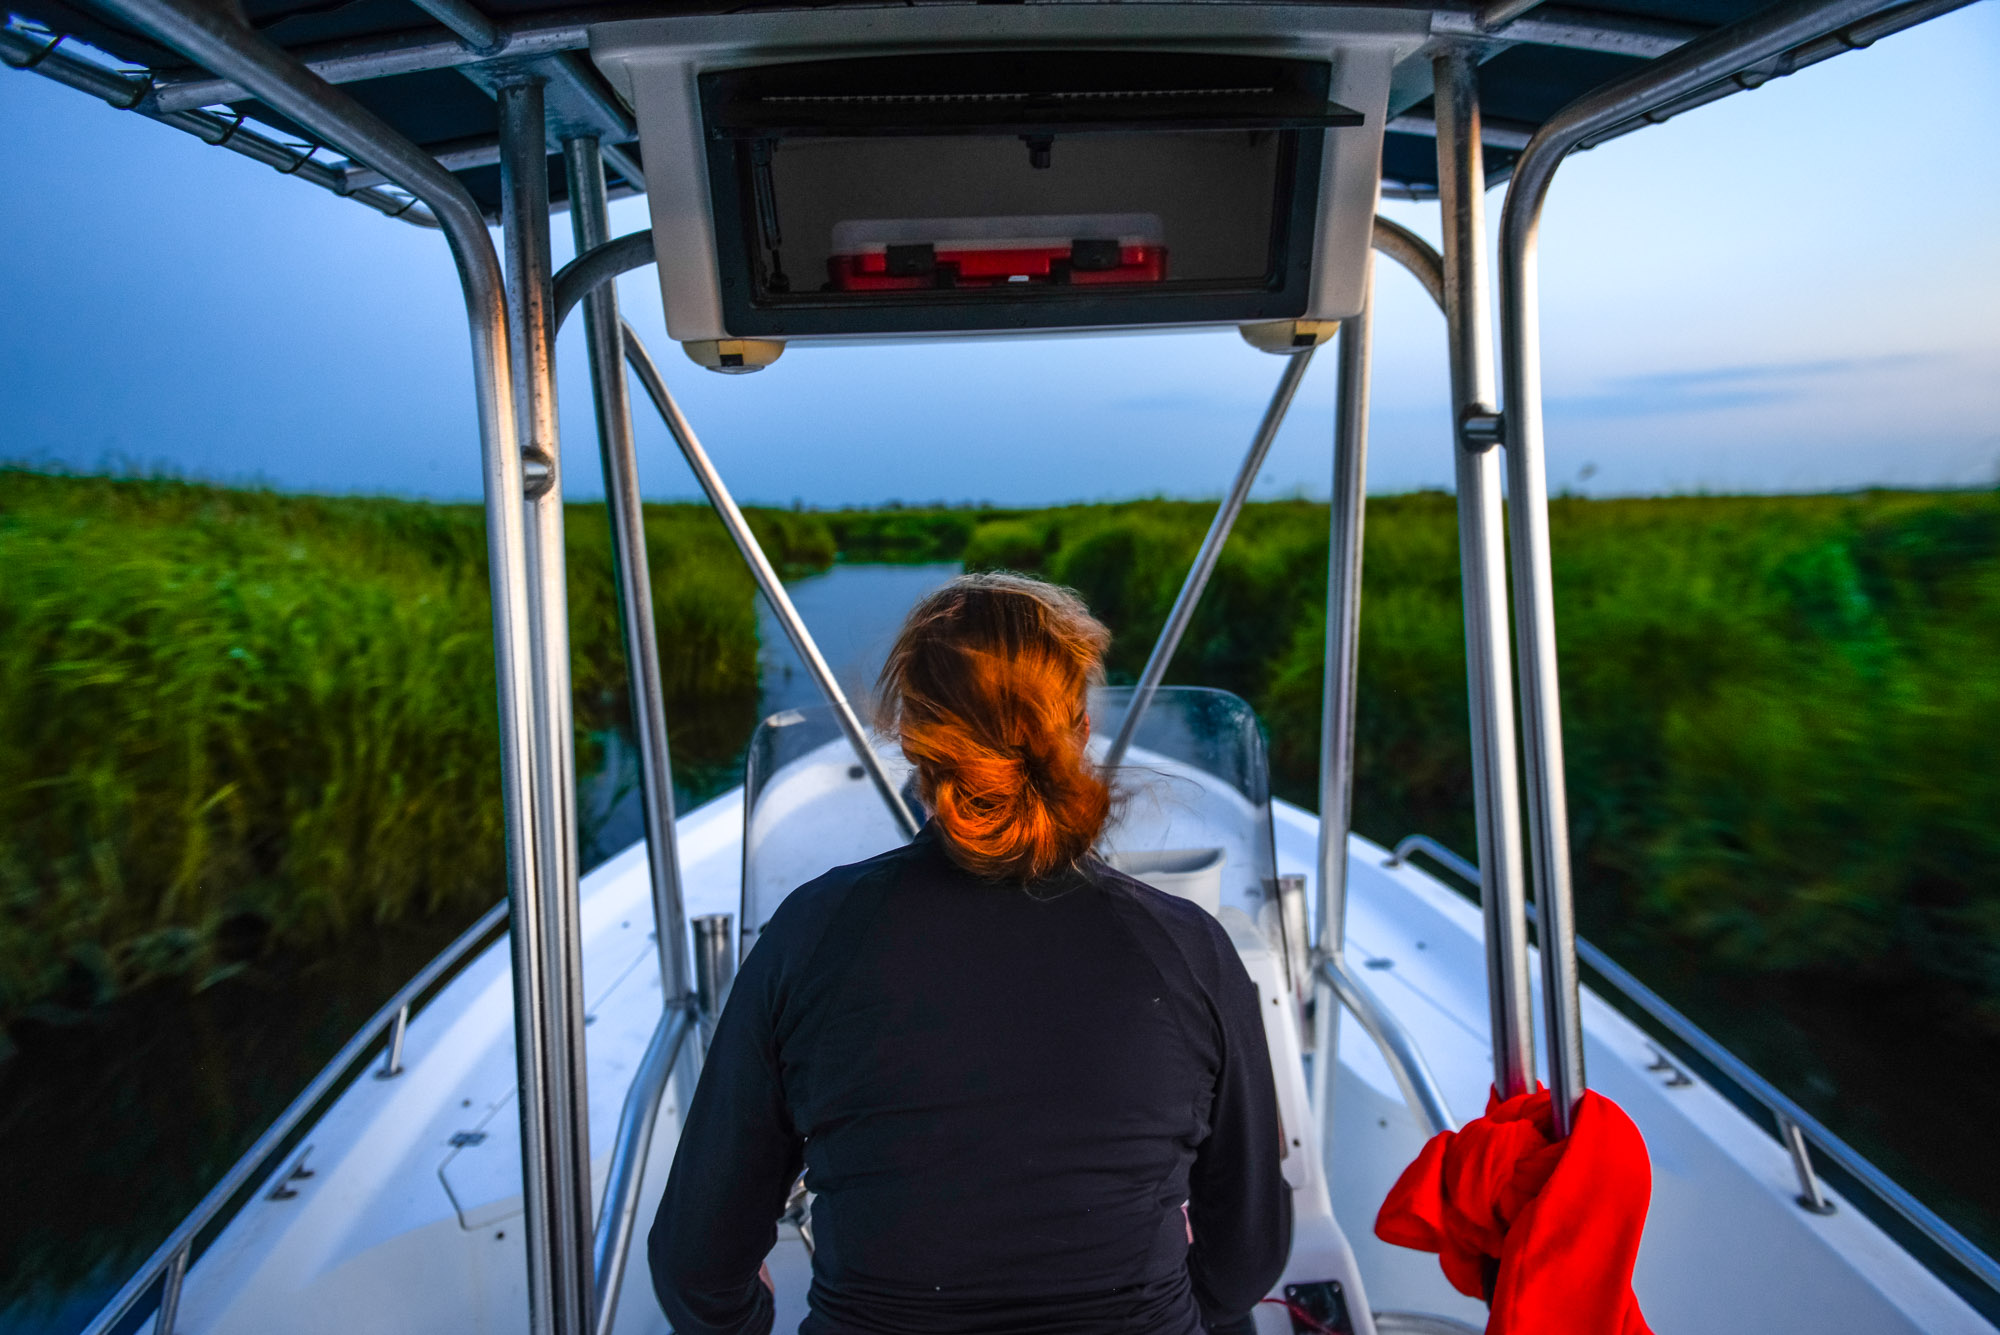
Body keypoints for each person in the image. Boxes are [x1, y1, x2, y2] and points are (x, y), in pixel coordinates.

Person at [648, 572, 1290, 1335]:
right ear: (1079, 730)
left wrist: (752, 1317)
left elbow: (696, 1267)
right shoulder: (1189, 949)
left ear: (915, 738)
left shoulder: (811, 935)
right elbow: (1247, 1254)